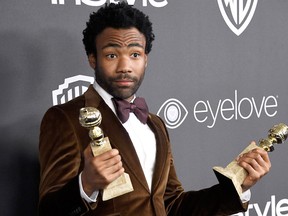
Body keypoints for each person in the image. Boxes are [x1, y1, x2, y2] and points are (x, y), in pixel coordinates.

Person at [38, 2, 271, 216]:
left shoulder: (155, 124)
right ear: (92, 58)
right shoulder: (65, 119)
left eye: (135, 54)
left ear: (145, 59)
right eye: (111, 55)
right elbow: (48, 211)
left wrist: (238, 185)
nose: (125, 66)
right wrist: (85, 185)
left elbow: (172, 204)